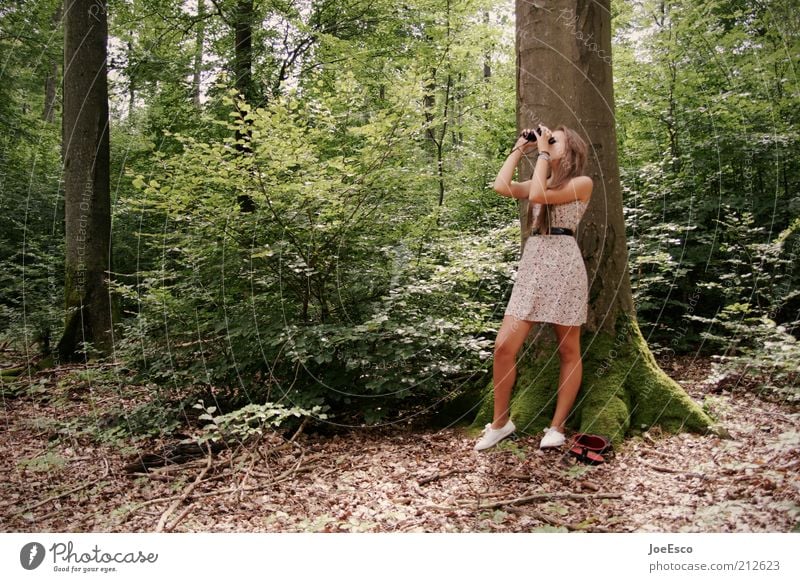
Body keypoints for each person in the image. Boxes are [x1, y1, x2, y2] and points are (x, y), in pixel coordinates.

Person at [474, 124, 592, 451]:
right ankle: (501, 423)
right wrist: (519, 148)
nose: (547, 141)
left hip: (565, 267)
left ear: (570, 150)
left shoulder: (582, 183)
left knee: (568, 350)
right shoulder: (541, 179)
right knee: (503, 347)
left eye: (554, 139)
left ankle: (557, 427)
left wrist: (541, 152)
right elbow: (501, 186)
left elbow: (539, 195)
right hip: (534, 264)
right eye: (546, 137)